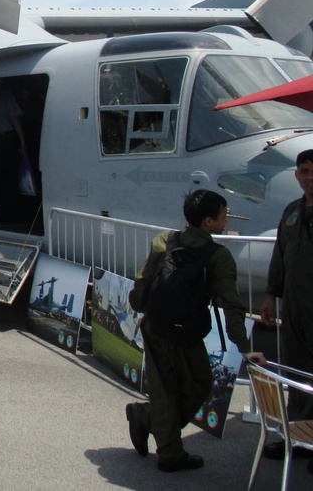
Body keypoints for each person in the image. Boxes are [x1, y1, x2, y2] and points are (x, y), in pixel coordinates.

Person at [125, 190, 265, 473]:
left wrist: (144, 310)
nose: (226, 220)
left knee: (167, 388)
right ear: (208, 222)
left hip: (156, 326)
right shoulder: (218, 256)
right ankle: (170, 452)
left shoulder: (165, 240)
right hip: (185, 332)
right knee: (198, 384)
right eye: (224, 216)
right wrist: (243, 346)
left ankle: (148, 418)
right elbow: (231, 303)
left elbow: (145, 280)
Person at [258, 149, 313, 461]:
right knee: (297, 372)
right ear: (297, 175)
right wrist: (270, 294)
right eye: (304, 171)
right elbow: (280, 255)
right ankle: (298, 435)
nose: (310, 178)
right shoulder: (292, 212)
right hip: (294, 307)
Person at [0, 91, 26, 223]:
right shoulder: (7, 96)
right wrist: (22, 139)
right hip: (6, 138)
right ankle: (7, 214)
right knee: (10, 177)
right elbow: (14, 117)